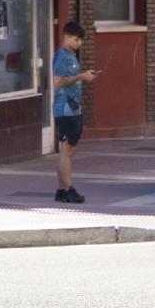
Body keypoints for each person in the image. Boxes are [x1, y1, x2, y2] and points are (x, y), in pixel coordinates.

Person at [52, 21, 99, 204]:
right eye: (76, 39)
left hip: (73, 109)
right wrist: (82, 76)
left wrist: (85, 76)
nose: (79, 43)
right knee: (66, 150)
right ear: (66, 36)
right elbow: (58, 82)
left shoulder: (71, 56)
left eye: (81, 40)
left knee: (69, 151)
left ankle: (61, 189)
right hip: (65, 109)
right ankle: (68, 188)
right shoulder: (62, 57)